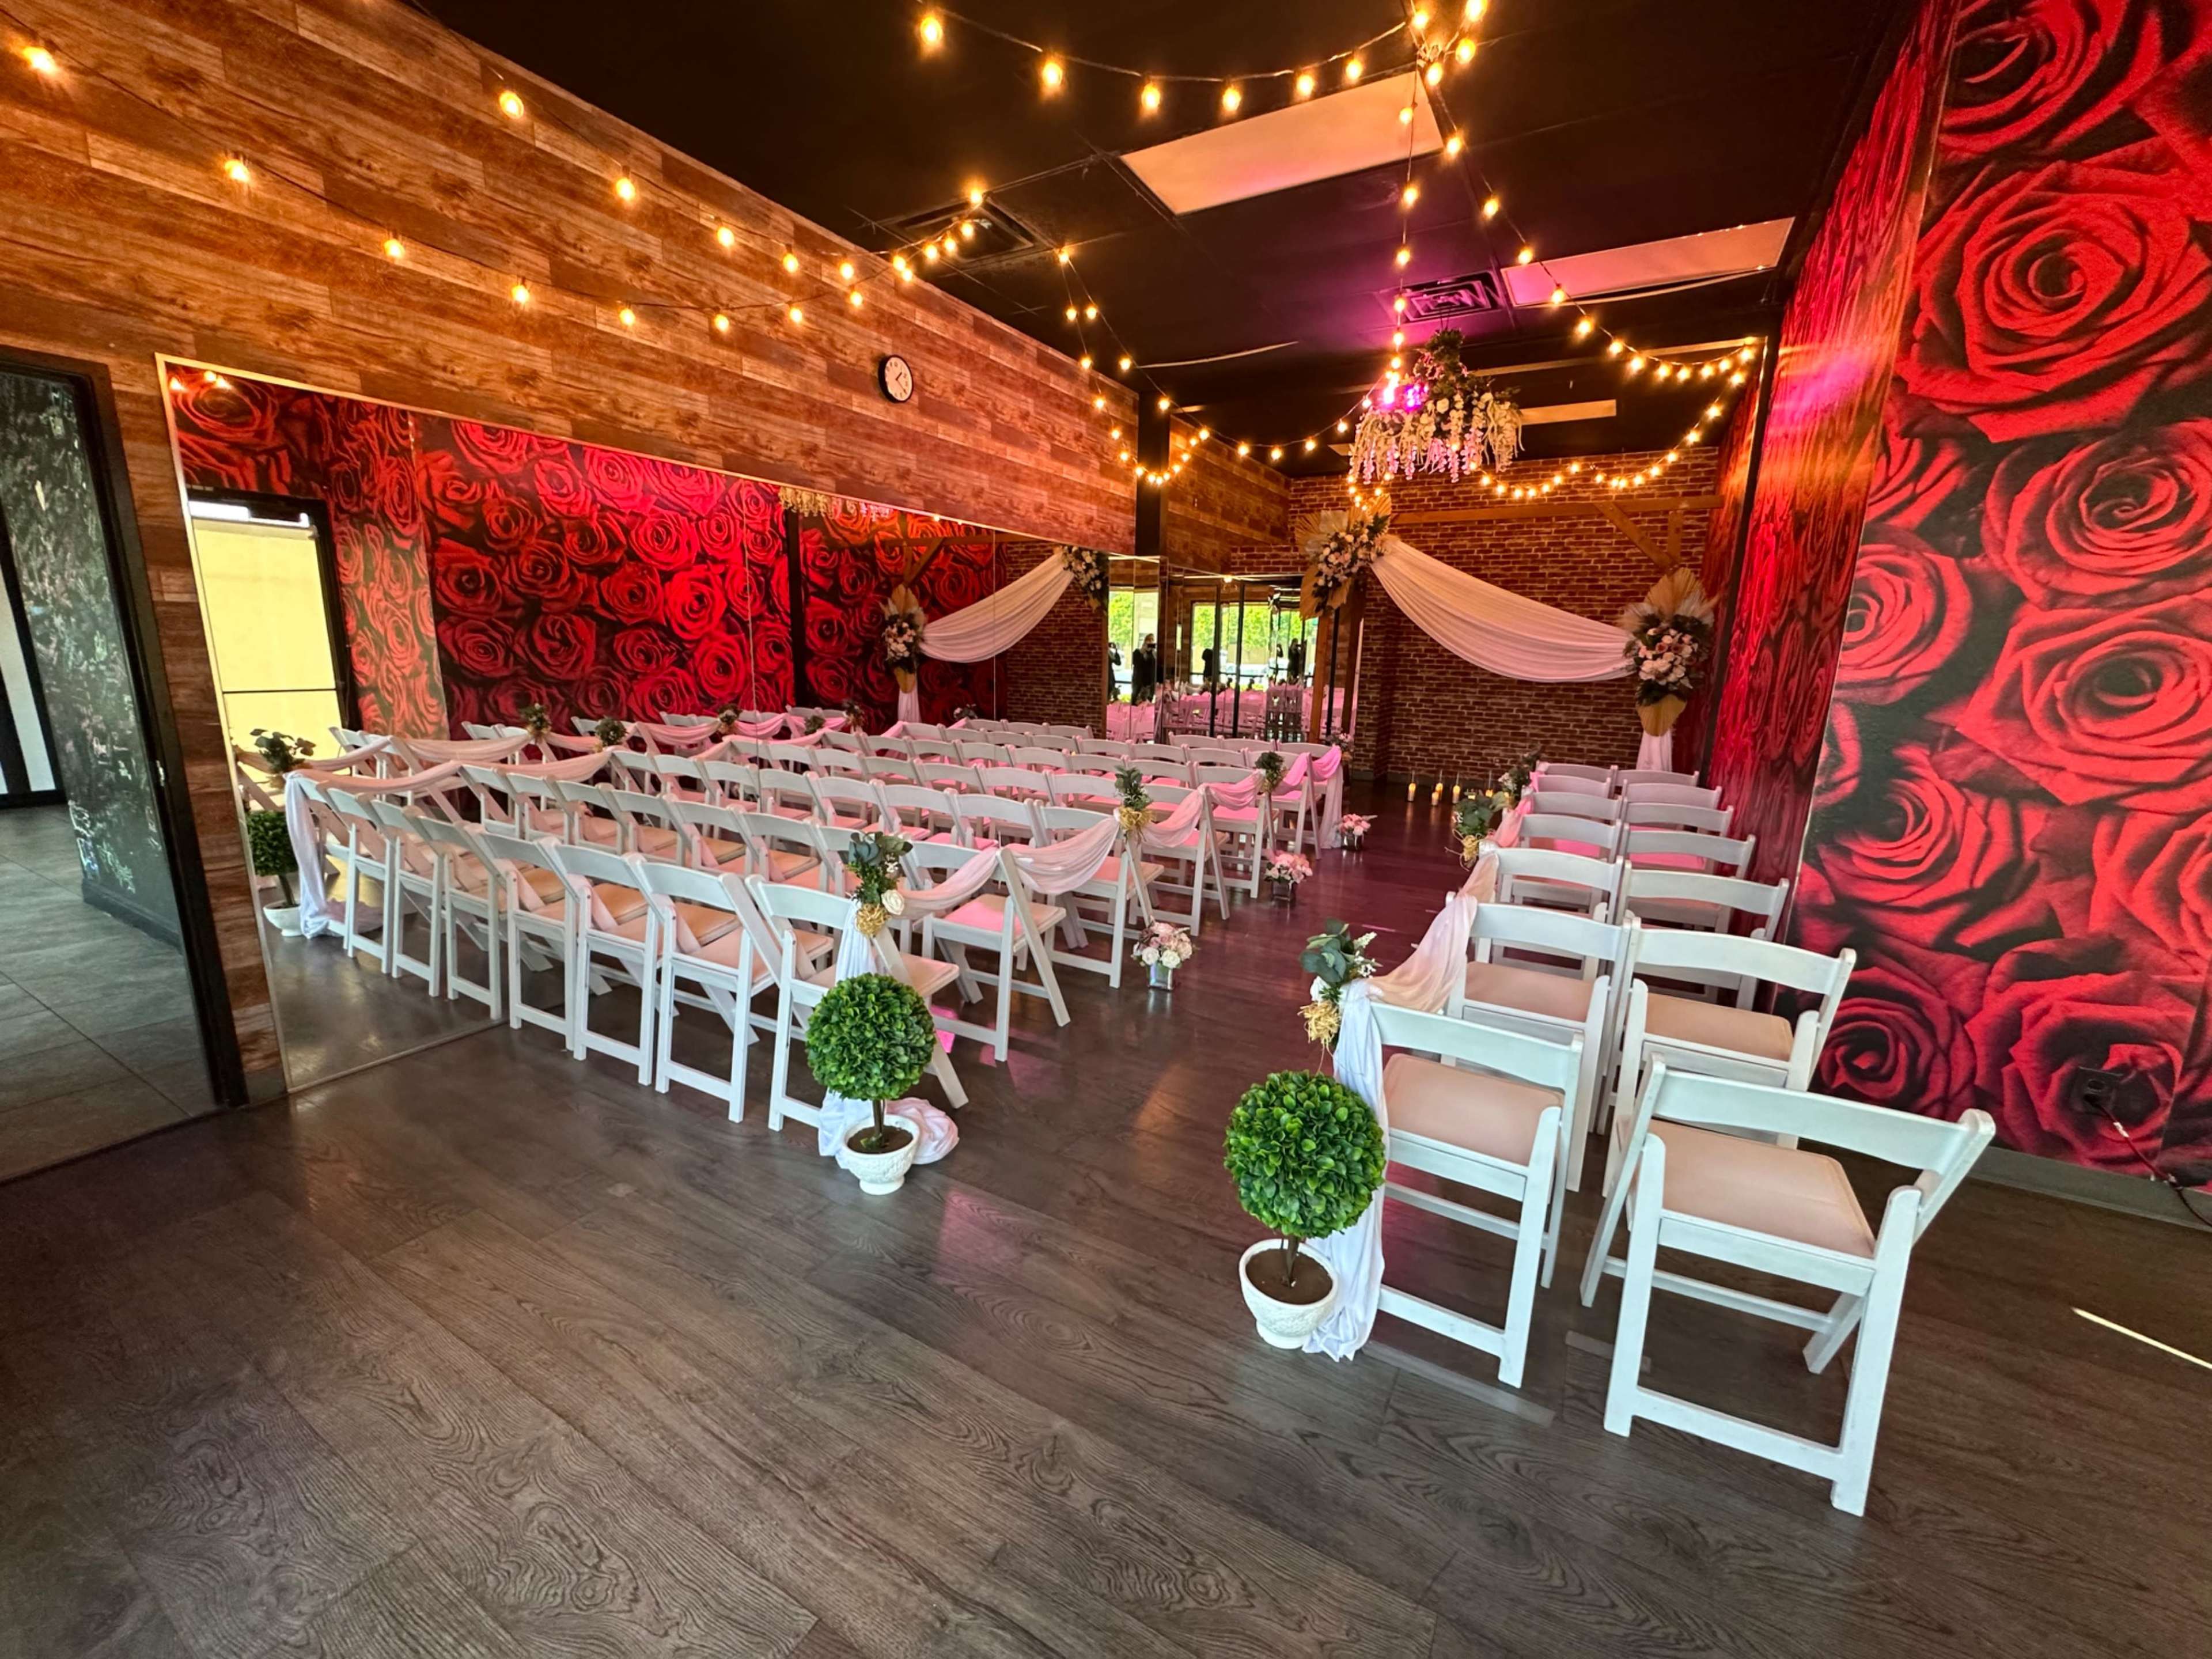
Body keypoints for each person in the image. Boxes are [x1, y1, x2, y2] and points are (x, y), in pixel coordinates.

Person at [1131, 634, 1157, 704]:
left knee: (1147, 707)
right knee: (1135, 705)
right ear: (1145, 642)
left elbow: (1155, 668)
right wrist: (1142, 651)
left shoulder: (1153, 655)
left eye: (1152, 640)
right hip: (1139, 685)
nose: (1150, 642)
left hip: (1149, 686)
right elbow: (1135, 663)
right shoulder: (1138, 652)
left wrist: (1153, 653)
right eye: (1149, 640)